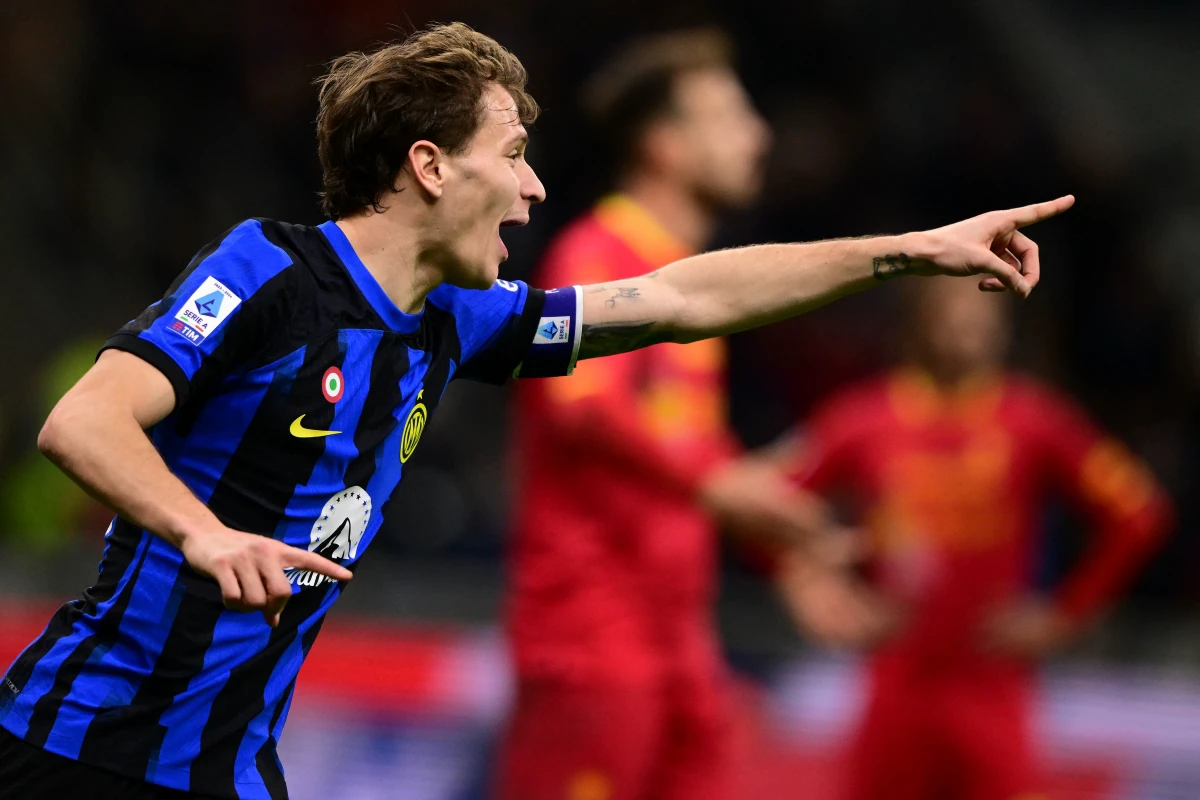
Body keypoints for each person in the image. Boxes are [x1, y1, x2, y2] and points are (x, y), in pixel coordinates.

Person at [0, 21, 1071, 800]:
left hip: (229, 762)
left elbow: (682, 297)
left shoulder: (455, 321)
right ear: (428, 165)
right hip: (81, 743)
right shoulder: (271, 269)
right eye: (511, 155)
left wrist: (912, 251)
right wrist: (203, 529)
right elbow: (82, 421)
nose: (535, 189)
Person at [496, 29, 808, 800]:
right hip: (593, 643)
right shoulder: (596, 258)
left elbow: (696, 450)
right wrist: (716, 487)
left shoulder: (690, 287)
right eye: (730, 117)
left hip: (681, 643)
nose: (758, 136)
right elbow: (582, 411)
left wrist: (790, 558)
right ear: (665, 146)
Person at [778, 278, 1172, 800]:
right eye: (951, 304)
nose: (968, 319)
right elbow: (768, 503)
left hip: (994, 686)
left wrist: (1064, 615)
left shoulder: (1033, 420)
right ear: (919, 318)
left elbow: (1139, 515)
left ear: (1005, 323)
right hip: (897, 685)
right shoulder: (864, 418)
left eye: (983, 305)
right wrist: (808, 588)